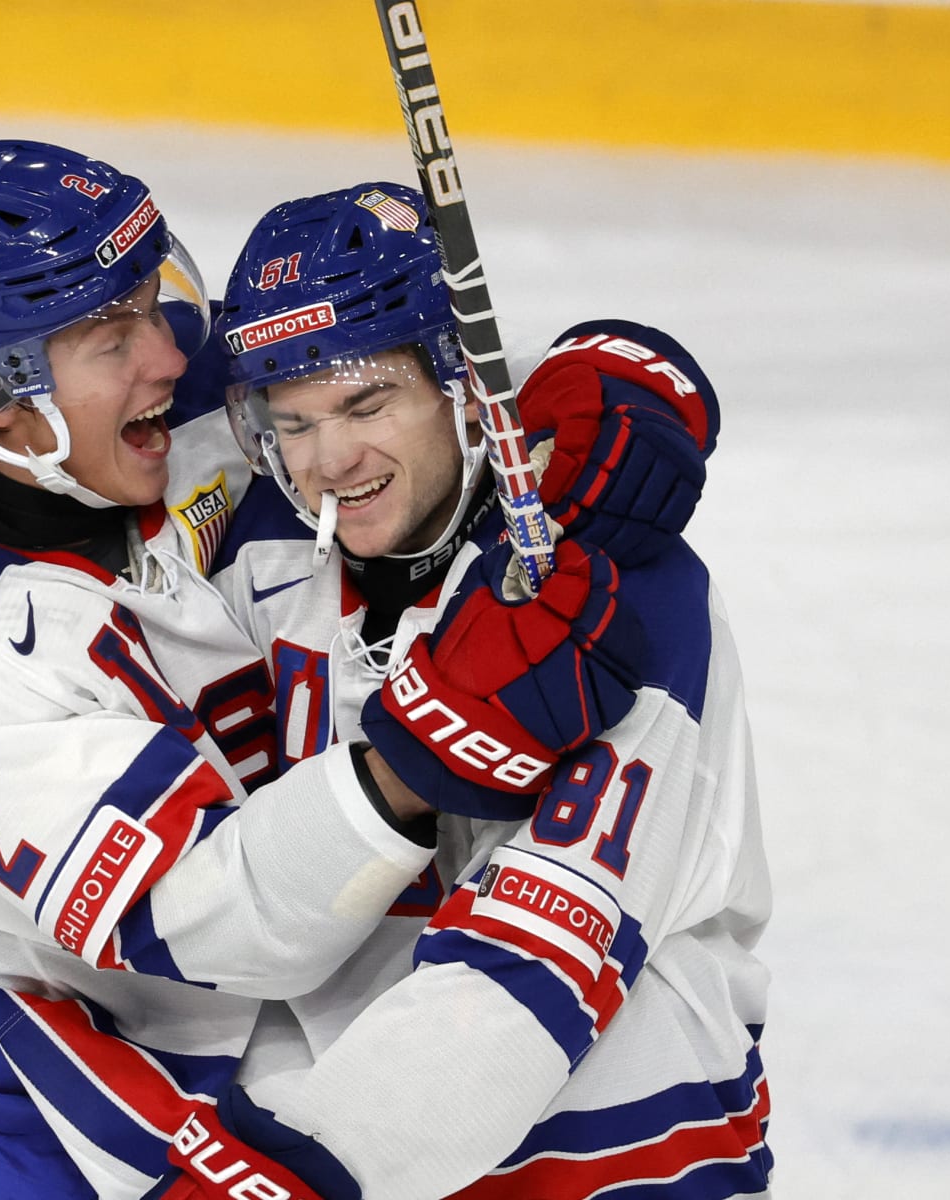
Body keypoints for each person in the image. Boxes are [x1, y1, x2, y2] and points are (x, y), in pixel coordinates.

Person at [0, 144, 643, 1199]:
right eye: (113, 336)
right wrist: (426, 751)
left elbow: (407, 355)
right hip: (22, 1125)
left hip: (222, 1075)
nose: (173, 354)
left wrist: (617, 380)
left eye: (156, 297)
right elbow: (226, 927)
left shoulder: (122, 429)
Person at [145, 184, 773, 1199]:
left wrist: (288, 1177)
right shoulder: (262, 553)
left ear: (461, 387)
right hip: (345, 1130)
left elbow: (530, 968)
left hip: (617, 1155)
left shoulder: (621, 593)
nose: (330, 460)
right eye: (291, 422)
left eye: (366, 404)